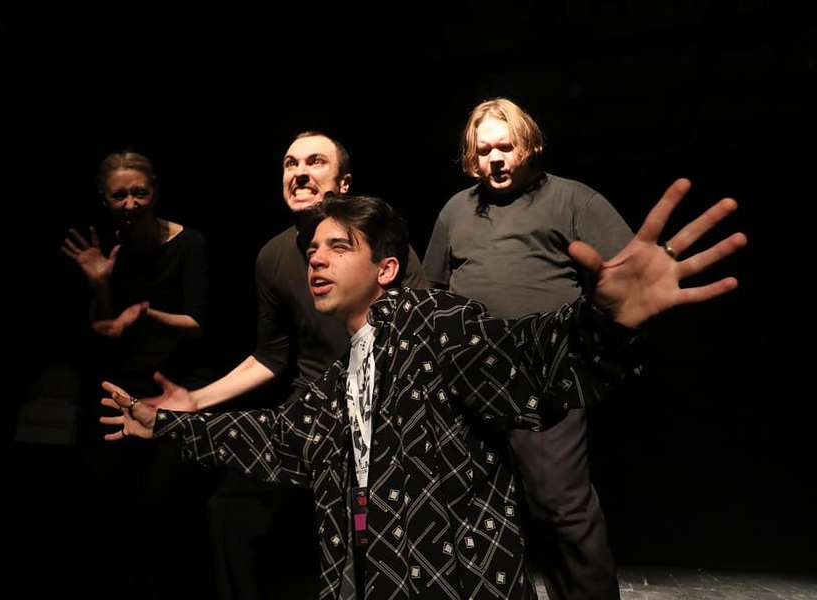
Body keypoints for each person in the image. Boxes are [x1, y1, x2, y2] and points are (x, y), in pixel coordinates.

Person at [101, 182, 746, 600]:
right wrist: (171, 423)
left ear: (386, 268)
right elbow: (280, 439)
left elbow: (523, 359)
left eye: (337, 246)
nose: (315, 259)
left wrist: (603, 322)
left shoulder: (436, 321)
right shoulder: (339, 378)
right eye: (313, 250)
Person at [136, 132, 425, 600]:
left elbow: (419, 344)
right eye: (291, 164)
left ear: (344, 183)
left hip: (381, 412)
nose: (300, 173)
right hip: (310, 413)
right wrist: (196, 399)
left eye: (315, 162)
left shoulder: (382, 247)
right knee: (230, 508)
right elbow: (271, 356)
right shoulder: (272, 257)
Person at [423, 97, 633, 599]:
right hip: (471, 375)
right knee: (482, 505)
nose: (495, 159)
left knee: (558, 501)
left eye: (506, 147)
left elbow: (629, 274)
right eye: (484, 150)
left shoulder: (573, 199)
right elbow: (433, 290)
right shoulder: (456, 210)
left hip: (546, 369)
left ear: (529, 145)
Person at [61, 151, 215, 598]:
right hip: (116, 384)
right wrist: (99, 284)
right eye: (119, 196)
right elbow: (103, 330)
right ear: (105, 199)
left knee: (161, 505)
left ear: (155, 192)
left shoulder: (189, 243)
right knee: (106, 505)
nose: (130, 203)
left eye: (139, 193)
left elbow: (197, 323)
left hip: (173, 384)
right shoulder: (102, 247)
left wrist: (147, 315)